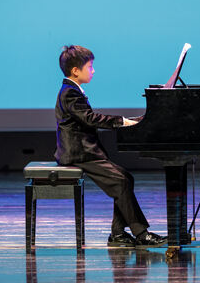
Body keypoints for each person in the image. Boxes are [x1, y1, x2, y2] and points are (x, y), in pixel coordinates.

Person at [54, 45, 167, 248]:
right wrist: (122, 122)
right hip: (78, 153)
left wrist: (129, 122)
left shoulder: (71, 90)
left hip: (84, 151)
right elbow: (90, 118)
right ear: (75, 71)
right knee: (121, 181)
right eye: (90, 67)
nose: (93, 70)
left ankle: (118, 233)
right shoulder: (70, 93)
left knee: (125, 178)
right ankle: (141, 234)